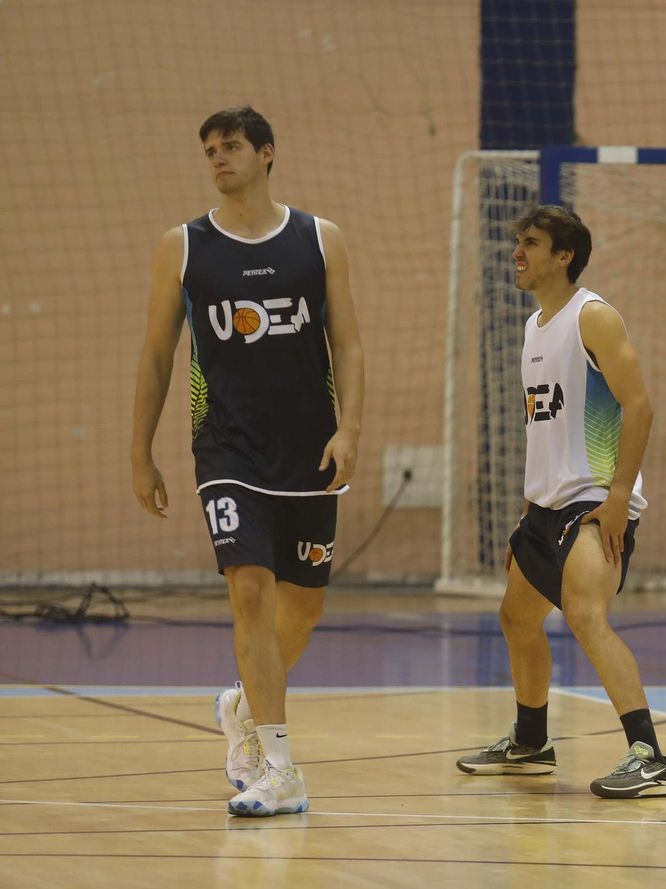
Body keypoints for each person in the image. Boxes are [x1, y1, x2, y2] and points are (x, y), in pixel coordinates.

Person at [131, 106, 365, 815]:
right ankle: (280, 767)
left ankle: (241, 702)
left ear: (266, 152)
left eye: (230, 146)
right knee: (251, 591)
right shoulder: (183, 246)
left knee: (304, 606)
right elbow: (156, 355)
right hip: (226, 448)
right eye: (209, 149)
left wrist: (349, 429)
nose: (217, 158)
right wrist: (140, 453)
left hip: (309, 447)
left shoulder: (320, 239)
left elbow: (347, 343)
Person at [455, 205, 666, 798]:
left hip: (592, 502)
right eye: (516, 241)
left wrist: (619, 496)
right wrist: (529, 512)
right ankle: (531, 743)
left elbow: (640, 406)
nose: (516, 252)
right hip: (546, 508)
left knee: (584, 615)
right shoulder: (535, 327)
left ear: (564, 256)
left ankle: (651, 756)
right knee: (516, 617)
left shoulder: (593, 317)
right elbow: (547, 430)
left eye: (530, 243)